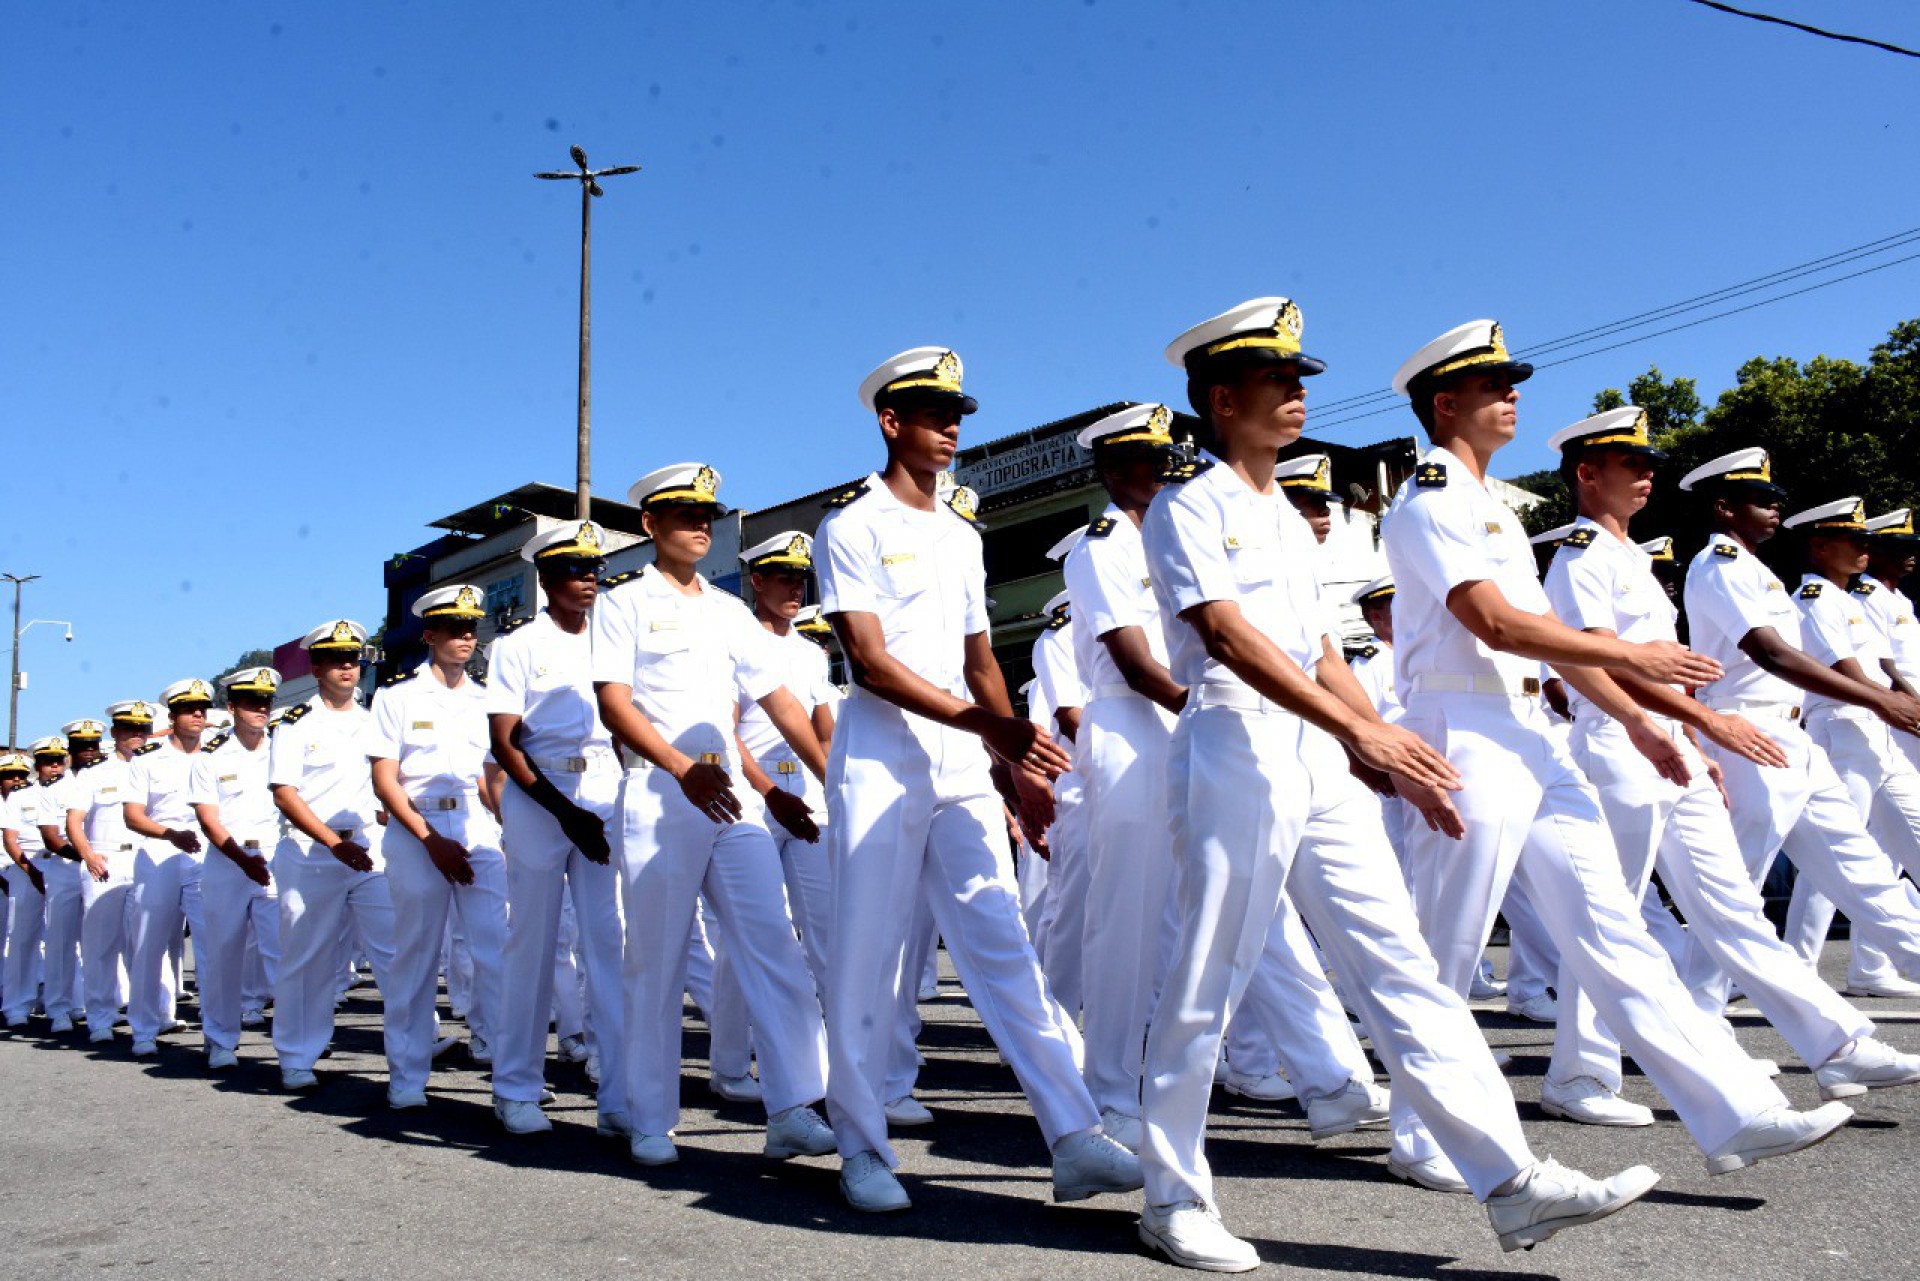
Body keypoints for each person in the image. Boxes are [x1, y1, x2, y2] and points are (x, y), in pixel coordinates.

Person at [1137, 297, 1661, 1270]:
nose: (1298, 392)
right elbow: (1226, 637)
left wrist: (1385, 743)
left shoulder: (1286, 519)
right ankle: (1172, 1196)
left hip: (1315, 749)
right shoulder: (1187, 505)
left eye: (1301, 378)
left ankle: (1508, 1181)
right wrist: (1357, 732)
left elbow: (1322, 648)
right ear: (1220, 397)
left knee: (1402, 965)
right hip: (1236, 742)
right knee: (1210, 976)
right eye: (1277, 379)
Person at [1380, 319, 1846, 1194]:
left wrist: (1635, 718)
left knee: (1612, 924)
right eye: (1493, 385)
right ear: (1446, 404)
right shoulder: (1431, 499)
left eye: (1512, 381)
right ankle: (1419, 1130)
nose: (1512, 394)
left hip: (1530, 734)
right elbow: (1495, 623)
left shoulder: (1490, 506)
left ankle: (1734, 1106)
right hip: (1461, 731)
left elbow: (1551, 648)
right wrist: (1634, 658)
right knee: (1444, 950)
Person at [815, 346, 1139, 1213]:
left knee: (1002, 945)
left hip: (961, 756)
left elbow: (979, 660)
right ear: (892, 422)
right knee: (869, 960)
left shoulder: (961, 534)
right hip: (882, 757)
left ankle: (1072, 1136)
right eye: (934, 411)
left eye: (959, 410)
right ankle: (861, 1145)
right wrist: (987, 726)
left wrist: (1011, 767)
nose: (953, 424)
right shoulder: (850, 528)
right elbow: (871, 663)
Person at [1542, 410, 1919, 1116]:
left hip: (1678, 742)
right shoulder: (1581, 558)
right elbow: (1604, 662)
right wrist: (1706, 722)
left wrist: (1693, 735)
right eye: (1631, 462)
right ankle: (1581, 1074)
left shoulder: (1632, 560)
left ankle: (1837, 1042)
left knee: (1734, 905)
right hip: (1622, 742)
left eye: (1648, 461)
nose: (1647, 471)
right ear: (1588, 474)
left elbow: (1674, 668)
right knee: (1611, 918)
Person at [592, 462, 837, 1167]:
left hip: (729, 795)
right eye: (684, 515)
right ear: (650, 525)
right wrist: (678, 767)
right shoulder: (625, 601)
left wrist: (833, 777)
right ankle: (647, 1115)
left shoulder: (730, 610)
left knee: (773, 944)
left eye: (707, 516)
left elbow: (779, 701)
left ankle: (793, 1103)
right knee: (657, 962)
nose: (700, 526)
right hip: (662, 793)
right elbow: (615, 704)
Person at [1676, 452, 1920, 1003]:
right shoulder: (1719, 565)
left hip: (1792, 738)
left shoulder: (1756, 570)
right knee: (1734, 889)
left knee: (1863, 869)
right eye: (1761, 500)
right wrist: (1882, 701)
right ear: (1723, 508)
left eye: (1774, 499)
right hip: (1748, 736)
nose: (1775, 507)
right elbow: (1774, 655)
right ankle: (1699, 1015)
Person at [487, 519, 628, 1137]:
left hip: (603, 787)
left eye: (593, 567)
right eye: (575, 569)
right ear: (545, 579)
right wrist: (566, 814)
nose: (589, 578)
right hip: (541, 795)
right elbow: (504, 744)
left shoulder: (612, 639)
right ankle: (515, 1085)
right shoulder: (518, 645)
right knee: (534, 944)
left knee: (611, 943)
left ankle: (622, 1088)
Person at [370, 585, 511, 1110]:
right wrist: (431, 841)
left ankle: (510, 1075)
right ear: (429, 635)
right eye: (454, 628)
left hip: (475, 827)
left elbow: (489, 777)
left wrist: (505, 826)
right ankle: (407, 1074)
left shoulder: (484, 700)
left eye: (472, 627)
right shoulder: (396, 697)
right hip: (417, 830)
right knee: (416, 958)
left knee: (496, 953)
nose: (466, 636)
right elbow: (386, 781)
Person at [1772, 498, 1920, 993]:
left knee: (1901, 845)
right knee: (1832, 856)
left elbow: (1883, 667)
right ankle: (1797, 969)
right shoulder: (1813, 596)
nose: (1865, 549)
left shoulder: (1849, 600)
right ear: (1819, 545)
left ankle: (1872, 967)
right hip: (1843, 726)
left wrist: (1899, 701)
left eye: (1866, 542)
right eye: (1855, 541)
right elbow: (1842, 669)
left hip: (1876, 729)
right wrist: (1890, 703)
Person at [269, 619, 398, 1092]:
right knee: (308, 956)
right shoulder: (296, 723)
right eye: (336, 659)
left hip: (368, 849)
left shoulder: (374, 722)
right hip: (311, 853)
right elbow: (286, 794)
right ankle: (298, 1055)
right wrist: (331, 842)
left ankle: (415, 1043)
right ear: (317, 666)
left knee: (396, 948)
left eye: (354, 658)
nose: (348, 666)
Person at [188, 667, 284, 1069]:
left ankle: (295, 1040)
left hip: (275, 858)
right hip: (229, 862)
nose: (260, 709)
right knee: (223, 955)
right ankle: (221, 1038)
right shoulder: (211, 757)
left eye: (266, 702)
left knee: (283, 953)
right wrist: (243, 862)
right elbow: (209, 821)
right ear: (231, 708)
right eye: (251, 702)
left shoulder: (283, 749)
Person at [123, 679, 215, 1055]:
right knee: (149, 945)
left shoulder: (215, 755)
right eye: (189, 709)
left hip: (205, 854)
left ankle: (215, 1033)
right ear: (173, 716)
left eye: (202, 709)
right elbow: (132, 816)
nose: (198, 715)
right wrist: (169, 834)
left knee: (211, 945)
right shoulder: (148, 759)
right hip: (160, 854)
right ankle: (144, 1028)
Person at [65, 702, 152, 1040]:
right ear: (114, 733)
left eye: (143, 729)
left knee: (146, 944)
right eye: (129, 729)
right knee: (100, 946)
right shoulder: (94, 773)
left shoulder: (154, 766)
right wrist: (88, 855)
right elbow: (74, 821)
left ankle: (148, 1016)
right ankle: (100, 1017)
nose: (137, 735)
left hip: (145, 859)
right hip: (105, 861)